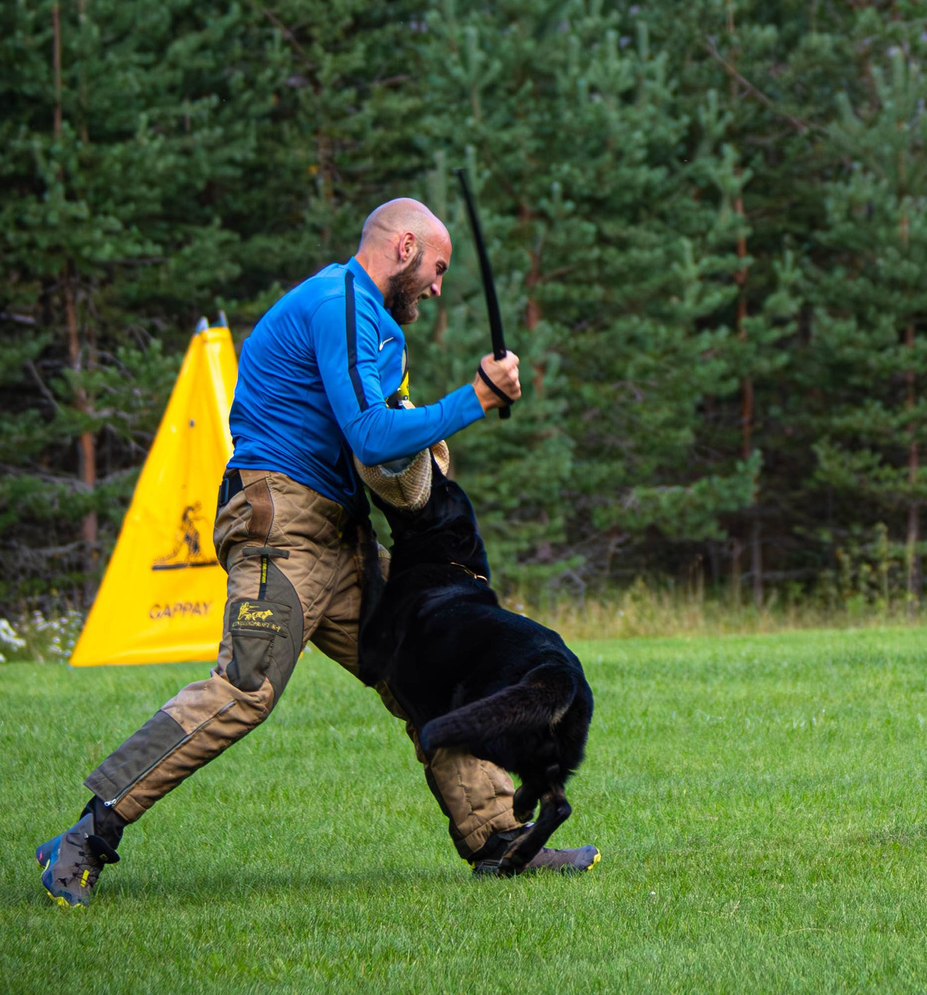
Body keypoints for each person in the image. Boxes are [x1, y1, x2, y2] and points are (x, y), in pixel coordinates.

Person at [36, 198, 597, 905]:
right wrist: (476, 396)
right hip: (281, 527)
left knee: (426, 665)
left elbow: (398, 449)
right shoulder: (338, 304)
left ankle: (496, 833)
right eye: (437, 268)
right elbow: (369, 435)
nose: (438, 286)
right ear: (401, 249)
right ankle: (85, 837)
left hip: (342, 536)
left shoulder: (377, 330)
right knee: (247, 686)